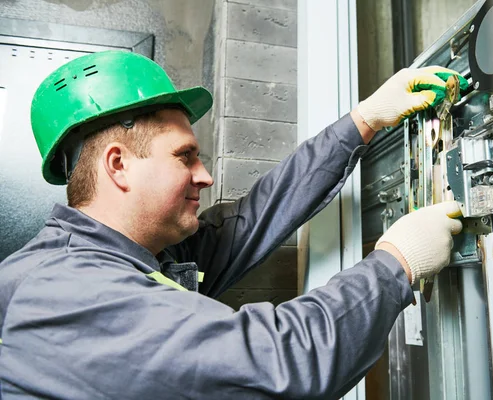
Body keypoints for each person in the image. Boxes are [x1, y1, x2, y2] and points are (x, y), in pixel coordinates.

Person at [0, 50, 463, 399]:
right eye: (185, 156)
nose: (204, 175)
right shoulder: (65, 292)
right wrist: (397, 262)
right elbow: (284, 363)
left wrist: (363, 121)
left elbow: (255, 217)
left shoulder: (145, 255)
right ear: (118, 165)